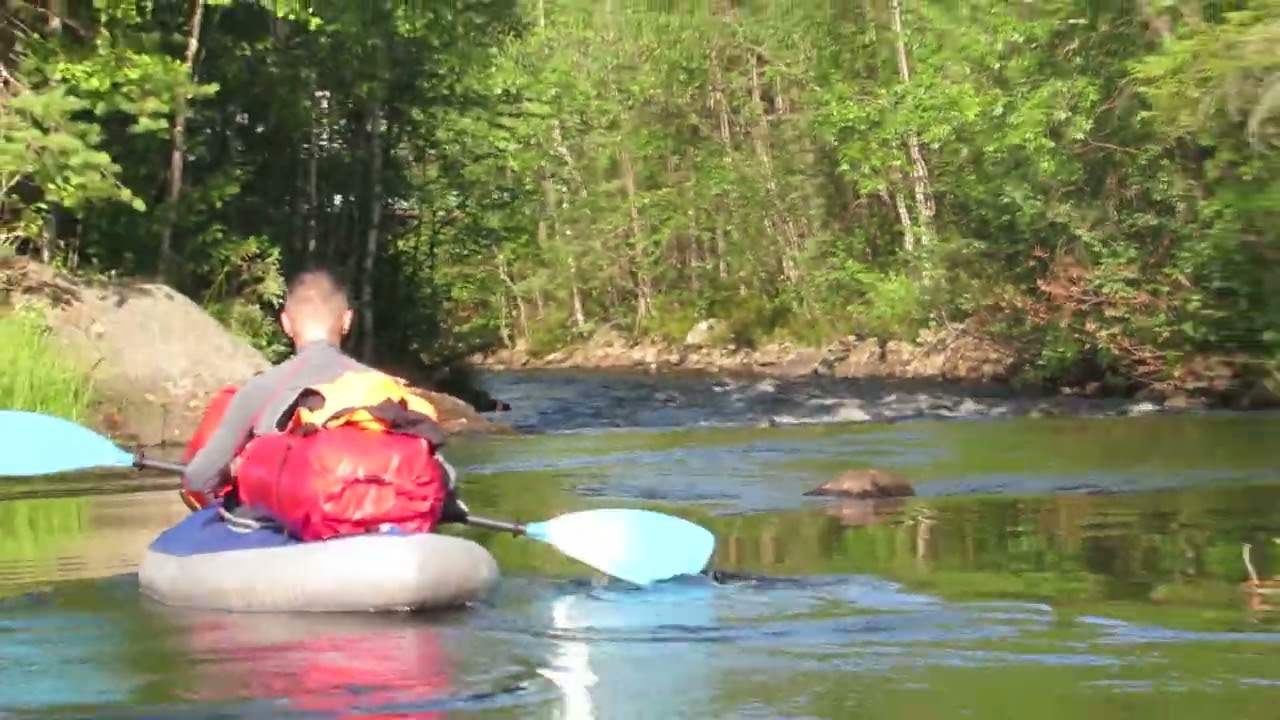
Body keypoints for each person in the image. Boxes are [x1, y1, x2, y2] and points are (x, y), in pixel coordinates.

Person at [179, 268, 468, 537]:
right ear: (347, 321)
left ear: (286, 324)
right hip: (379, 530)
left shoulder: (260, 388)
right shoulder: (384, 387)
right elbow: (445, 477)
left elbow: (198, 477)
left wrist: (235, 474)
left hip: (287, 535)